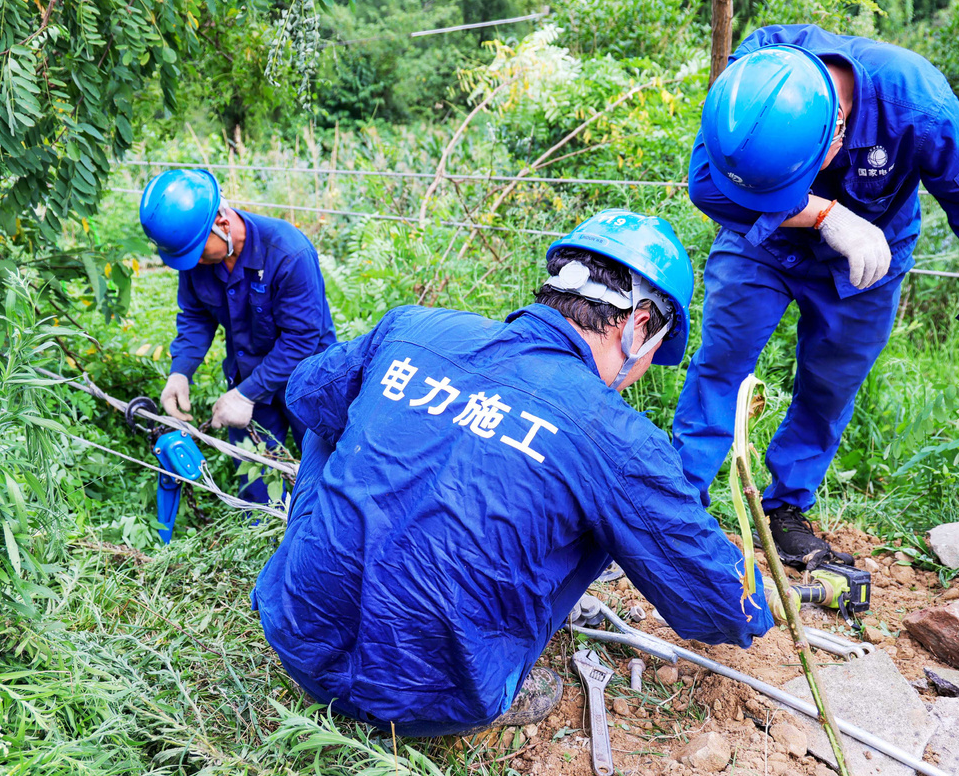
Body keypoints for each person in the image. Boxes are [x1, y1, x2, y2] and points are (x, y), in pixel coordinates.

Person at [253, 209, 774, 737]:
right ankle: (495, 668)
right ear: (640, 325)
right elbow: (724, 606)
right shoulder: (613, 433)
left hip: (297, 640)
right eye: (652, 353)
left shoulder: (412, 328)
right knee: (608, 505)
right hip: (435, 701)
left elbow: (300, 393)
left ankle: (326, 582)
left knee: (331, 403)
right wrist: (761, 604)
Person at [673, 26, 959, 572]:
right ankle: (675, 510)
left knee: (829, 388)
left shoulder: (917, 104)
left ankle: (786, 510)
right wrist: (822, 213)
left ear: (837, 137)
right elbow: (706, 185)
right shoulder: (750, 87)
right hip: (762, 246)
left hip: (868, 261)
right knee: (722, 365)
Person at [138, 168, 337, 504]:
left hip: (306, 379)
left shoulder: (288, 253)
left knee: (322, 472)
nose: (195, 263)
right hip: (246, 373)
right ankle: (264, 530)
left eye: (198, 252)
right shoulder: (196, 259)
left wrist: (246, 395)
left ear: (223, 224)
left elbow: (302, 338)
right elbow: (196, 314)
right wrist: (180, 371)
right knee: (255, 477)